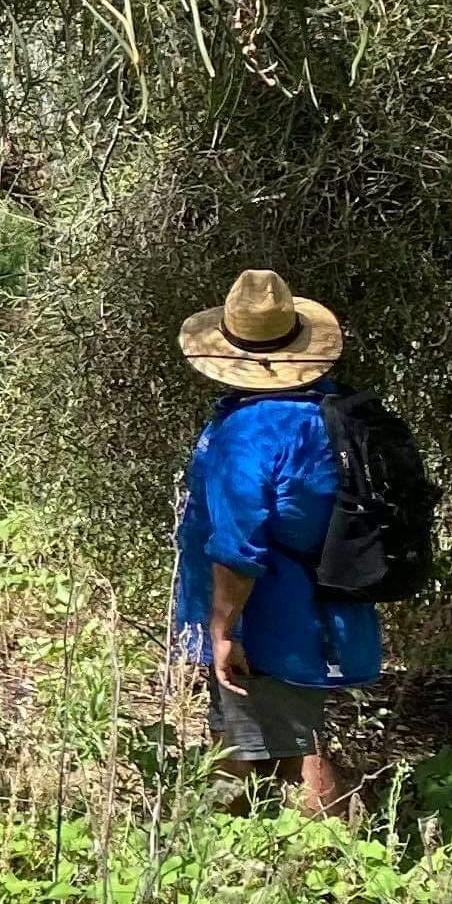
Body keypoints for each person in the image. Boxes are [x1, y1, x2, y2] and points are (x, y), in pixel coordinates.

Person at [169, 269, 381, 815]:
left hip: (271, 613)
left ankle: (308, 855)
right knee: (277, 733)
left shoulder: (252, 431)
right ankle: (267, 855)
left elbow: (237, 547)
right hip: (319, 602)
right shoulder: (327, 409)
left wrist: (222, 631)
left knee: (277, 746)